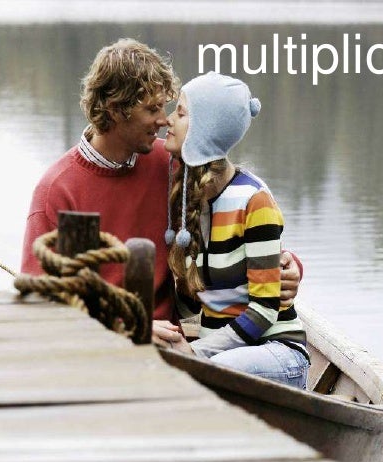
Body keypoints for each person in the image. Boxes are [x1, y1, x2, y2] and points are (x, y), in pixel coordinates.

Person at [20, 39, 302, 334]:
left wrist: (289, 265)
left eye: (166, 107)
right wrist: (129, 327)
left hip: (170, 341)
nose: (164, 120)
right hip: (100, 343)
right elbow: (43, 303)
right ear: (116, 110)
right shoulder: (62, 190)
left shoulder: (169, 164)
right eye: (152, 109)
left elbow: (240, 224)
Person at [157, 71, 309, 388]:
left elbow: (264, 311)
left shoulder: (254, 200)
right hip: (218, 356)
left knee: (199, 375)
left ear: (205, 130)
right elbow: (192, 302)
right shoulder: (190, 199)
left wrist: (194, 353)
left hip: (277, 352)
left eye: (181, 113)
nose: (168, 120)